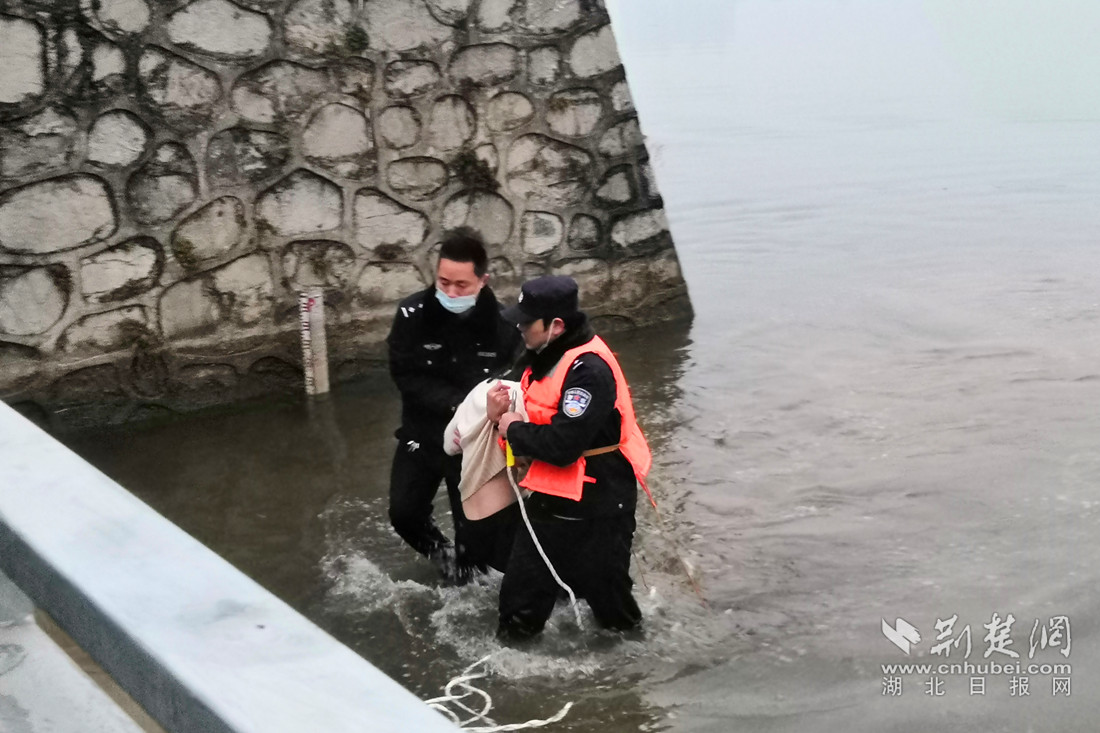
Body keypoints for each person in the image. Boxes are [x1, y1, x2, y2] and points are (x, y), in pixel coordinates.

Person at [487, 275, 652, 639]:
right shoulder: (544, 352)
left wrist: (512, 428)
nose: (520, 328)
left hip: (600, 505)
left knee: (612, 611)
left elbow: (563, 446)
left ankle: (632, 665)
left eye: (527, 322)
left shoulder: (589, 371)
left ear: (557, 326)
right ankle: (512, 661)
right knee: (518, 603)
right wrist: (497, 416)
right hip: (551, 499)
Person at [386, 228, 521, 583]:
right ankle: (444, 558)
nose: (451, 292)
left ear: (482, 280)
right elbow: (404, 373)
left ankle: (475, 579)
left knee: (475, 536)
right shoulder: (412, 314)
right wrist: (458, 404)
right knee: (403, 514)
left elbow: (514, 384)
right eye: (443, 282)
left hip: (474, 443)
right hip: (422, 432)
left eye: (461, 285)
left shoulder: (504, 326)